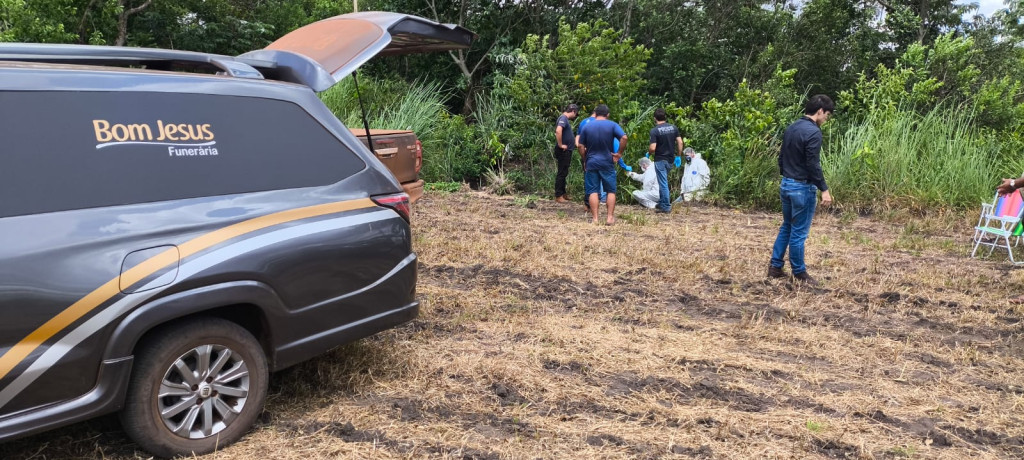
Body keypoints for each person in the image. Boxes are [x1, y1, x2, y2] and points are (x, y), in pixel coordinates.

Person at [768, 94, 835, 285]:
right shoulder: (814, 132)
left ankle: (775, 267)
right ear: (820, 111)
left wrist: (786, 174)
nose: (825, 119)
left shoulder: (792, 127)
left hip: (787, 184)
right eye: (827, 115)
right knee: (798, 232)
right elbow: (813, 164)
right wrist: (824, 189)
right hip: (801, 188)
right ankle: (799, 272)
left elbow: (781, 157)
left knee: (787, 226)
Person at [578, 104, 627, 225]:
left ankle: (595, 219)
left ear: (595, 114)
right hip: (607, 161)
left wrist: (585, 159)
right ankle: (609, 218)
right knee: (610, 190)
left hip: (592, 161)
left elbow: (580, 145)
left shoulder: (587, 126)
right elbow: (624, 138)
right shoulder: (612, 125)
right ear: (607, 114)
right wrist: (619, 153)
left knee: (593, 190)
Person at [648, 108, 684, 213]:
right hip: (670, 159)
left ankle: (666, 206)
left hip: (660, 159)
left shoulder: (654, 131)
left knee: (663, 182)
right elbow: (680, 142)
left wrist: (649, 153)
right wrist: (678, 155)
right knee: (662, 181)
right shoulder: (673, 128)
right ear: (665, 117)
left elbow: (653, 148)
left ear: (655, 118)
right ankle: (662, 202)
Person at [553, 103, 579, 203]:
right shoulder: (563, 118)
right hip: (563, 150)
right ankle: (558, 195)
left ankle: (563, 193)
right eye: (576, 114)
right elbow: (558, 131)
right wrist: (560, 144)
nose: (575, 117)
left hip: (567, 150)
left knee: (564, 172)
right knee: (561, 172)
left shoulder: (564, 119)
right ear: (573, 111)